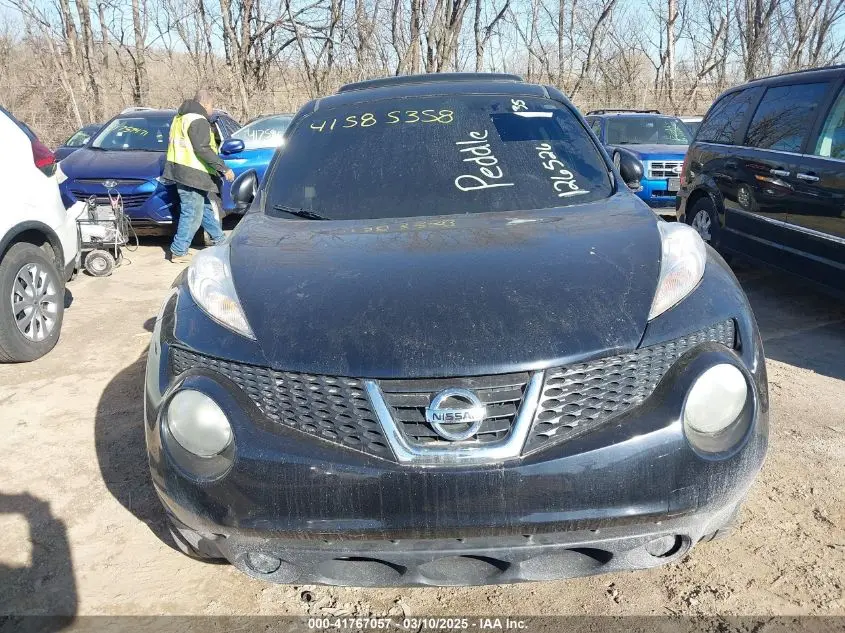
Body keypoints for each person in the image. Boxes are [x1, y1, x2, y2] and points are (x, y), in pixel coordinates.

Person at [163, 89, 235, 264]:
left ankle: (220, 240)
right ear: (205, 103)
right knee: (192, 212)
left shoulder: (180, 118)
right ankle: (179, 250)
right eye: (212, 105)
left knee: (204, 209)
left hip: (179, 169)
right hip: (193, 173)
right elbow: (202, 148)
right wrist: (223, 168)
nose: (212, 109)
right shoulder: (198, 120)